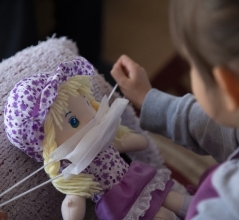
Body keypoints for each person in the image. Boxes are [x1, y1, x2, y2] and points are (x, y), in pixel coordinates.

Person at [110, 0, 239, 219]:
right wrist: (151, 101)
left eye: (191, 65)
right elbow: (228, 135)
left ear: (230, 87)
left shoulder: (225, 211)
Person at [4, 57, 191, 220]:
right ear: (48, 143)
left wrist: (134, 140)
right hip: (119, 202)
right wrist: (71, 206)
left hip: (136, 177)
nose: (90, 116)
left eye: (86, 103)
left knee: (175, 199)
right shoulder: (72, 168)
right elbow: (73, 200)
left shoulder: (102, 140)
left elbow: (126, 143)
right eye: (74, 120)